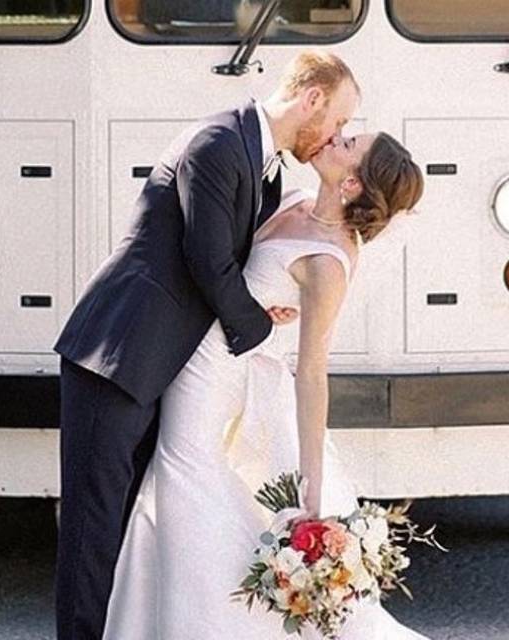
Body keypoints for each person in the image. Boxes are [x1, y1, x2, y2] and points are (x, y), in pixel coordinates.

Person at [52, 50, 361, 640]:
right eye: (339, 121)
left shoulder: (267, 170)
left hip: (157, 367)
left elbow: (227, 268)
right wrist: (260, 327)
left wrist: (255, 303)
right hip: (115, 356)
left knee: (120, 528)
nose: (336, 136)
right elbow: (206, 259)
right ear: (312, 98)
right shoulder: (218, 143)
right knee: (93, 533)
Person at [102, 130, 426, 639]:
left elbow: (313, 370)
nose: (336, 137)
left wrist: (312, 484)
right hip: (199, 353)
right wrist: (254, 308)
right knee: (179, 489)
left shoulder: (329, 262)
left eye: (348, 145)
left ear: (353, 183)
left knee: (182, 480)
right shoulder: (293, 200)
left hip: (221, 376)